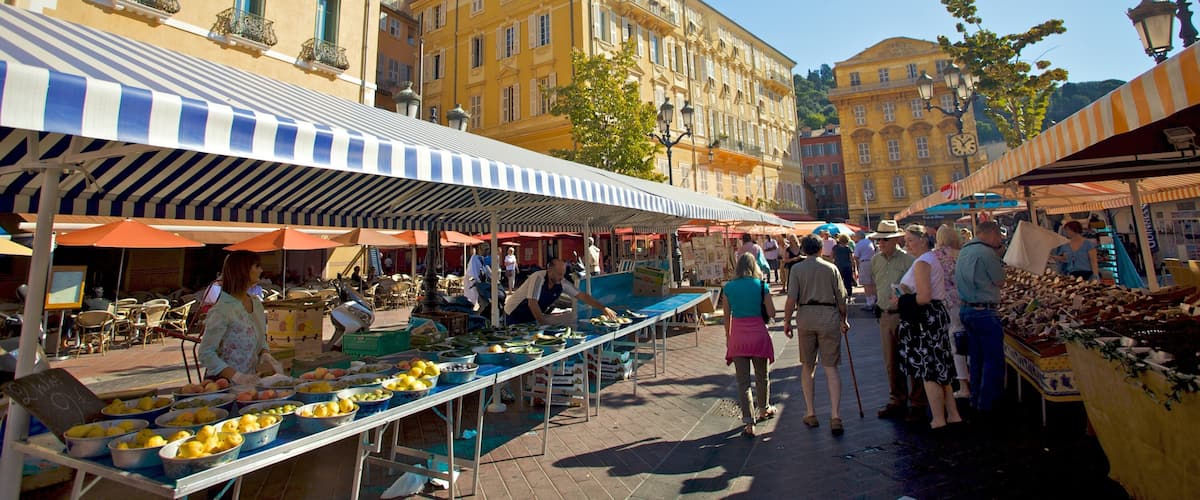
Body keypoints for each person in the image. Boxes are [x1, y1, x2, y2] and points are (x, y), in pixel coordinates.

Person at [895, 225, 963, 430]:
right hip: (935, 316)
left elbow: (923, 297)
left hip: (926, 320)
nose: (906, 244)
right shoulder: (930, 259)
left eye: (910, 240)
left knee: (930, 370)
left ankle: (939, 419)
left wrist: (900, 300)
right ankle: (952, 415)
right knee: (941, 368)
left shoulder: (923, 262)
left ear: (923, 240)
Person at [783, 235, 849, 435]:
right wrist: (843, 319)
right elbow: (841, 298)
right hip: (828, 316)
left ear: (803, 250)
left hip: (806, 317)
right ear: (821, 249)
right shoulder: (831, 268)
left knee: (807, 366)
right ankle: (835, 415)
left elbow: (791, 298)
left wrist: (786, 320)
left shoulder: (797, 269)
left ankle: (811, 412)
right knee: (831, 368)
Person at [869, 220, 926, 422]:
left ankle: (918, 402)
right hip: (886, 314)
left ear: (894, 240)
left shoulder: (909, 261)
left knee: (911, 359)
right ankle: (897, 399)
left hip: (905, 315)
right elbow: (877, 284)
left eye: (884, 240)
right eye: (878, 240)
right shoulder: (876, 260)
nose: (880, 243)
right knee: (891, 361)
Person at [198, 251, 283, 385]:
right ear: (243, 270)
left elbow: (260, 337)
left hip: (251, 383)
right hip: (224, 386)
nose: (261, 270)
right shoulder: (222, 310)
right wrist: (236, 376)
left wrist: (265, 353)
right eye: (257, 266)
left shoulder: (256, 303)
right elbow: (206, 353)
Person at [721, 252, 777, 438]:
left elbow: (726, 317)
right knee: (762, 376)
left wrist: (728, 338)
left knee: (743, 382)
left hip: (738, 337)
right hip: (758, 335)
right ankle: (764, 408)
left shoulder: (729, 287)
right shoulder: (762, 285)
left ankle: (748, 422)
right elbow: (772, 312)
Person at [956, 221, 1007, 413]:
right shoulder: (986, 253)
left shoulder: (965, 250)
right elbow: (1000, 281)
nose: (1000, 240)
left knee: (976, 359)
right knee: (993, 360)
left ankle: (975, 398)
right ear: (991, 233)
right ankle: (988, 404)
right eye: (999, 236)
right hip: (984, 312)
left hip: (967, 310)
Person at [504, 258, 617, 326]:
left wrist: (603, 308)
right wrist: (544, 323)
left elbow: (582, 296)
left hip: (531, 317)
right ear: (549, 271)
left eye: (563, 274)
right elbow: (532, 303)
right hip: (514, 314)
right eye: (558, 274)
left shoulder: (562, 282)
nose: (561, 277)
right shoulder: (538, 278)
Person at [852, 230, 877, 312]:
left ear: (858, 236)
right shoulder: (869, 242)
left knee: (866, 284)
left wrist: (857, 266)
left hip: (864, 262)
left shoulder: (859, 244)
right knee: (873, 283)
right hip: (873, 262)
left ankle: (869, 302)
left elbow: (856, 256)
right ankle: (874, 300)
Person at [832, 233, 856, 303]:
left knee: (838, 283)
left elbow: (831, 257)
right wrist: (854, 268)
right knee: (848, 283)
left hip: (838, 267)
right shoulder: (848, 248)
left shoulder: (835, 248)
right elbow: (852, 259)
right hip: (847, 267)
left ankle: (838, 297)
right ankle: (849, 297)